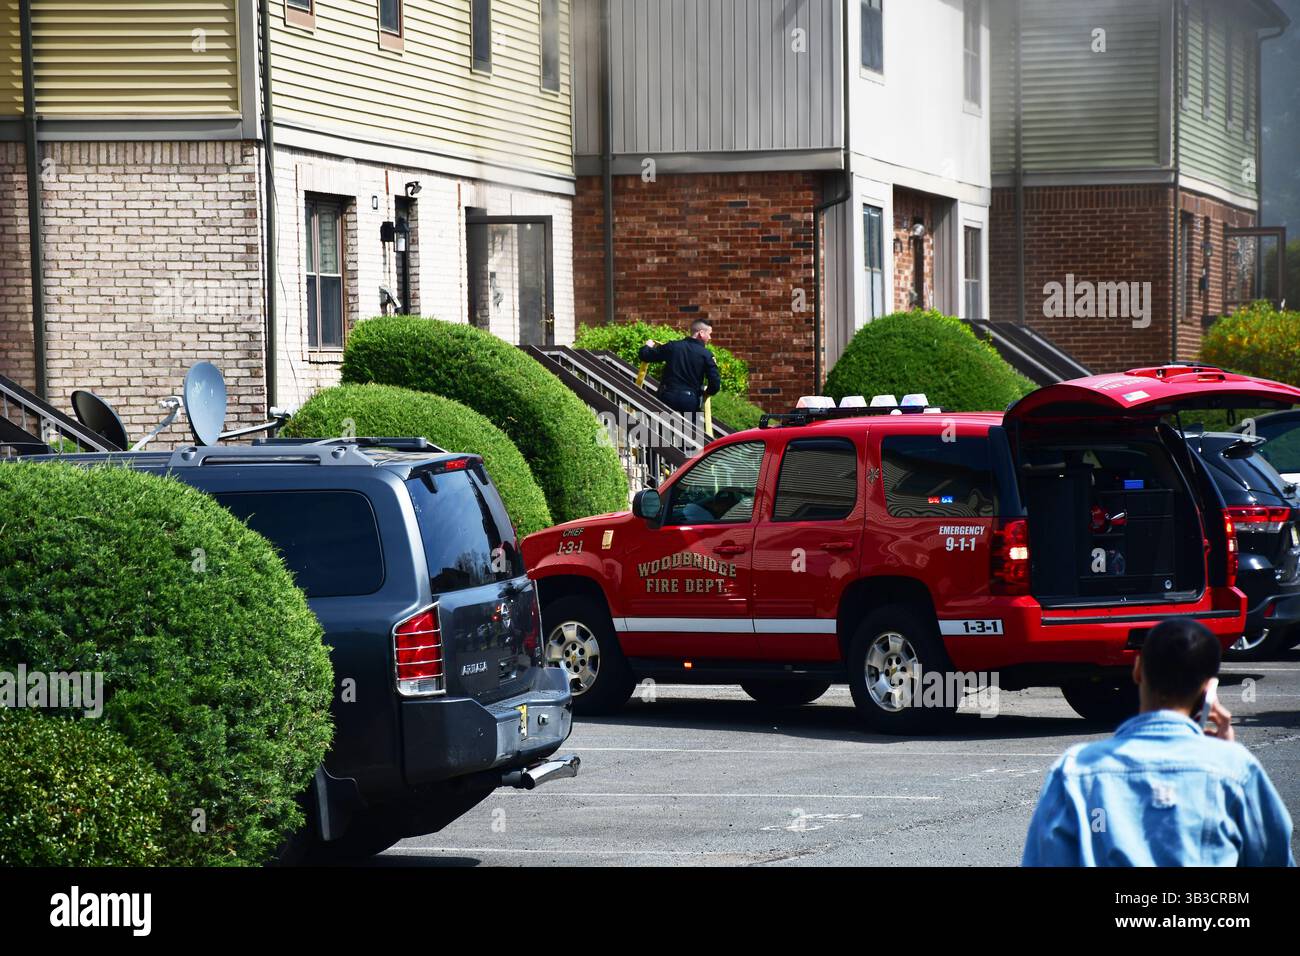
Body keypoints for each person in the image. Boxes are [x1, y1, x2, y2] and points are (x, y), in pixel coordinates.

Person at [1022, 618, 1294, 867]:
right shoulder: (1237, 769)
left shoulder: (1074, 771)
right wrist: (1224, 756)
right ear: (1210, 689)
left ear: (1138, 669)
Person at [638, 319, 722, 415]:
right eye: (709, 334)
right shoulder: (707, 355)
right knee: (690, 430)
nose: (710, 338)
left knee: (662, 429)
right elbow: (715, 383)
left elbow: (645, 356)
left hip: (667, 397)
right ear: (701, 333)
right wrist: (706, 393)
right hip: (690, 401)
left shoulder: (673, 346)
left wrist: (647, 346)